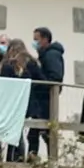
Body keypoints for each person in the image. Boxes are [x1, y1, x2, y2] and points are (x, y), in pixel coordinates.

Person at [0, 38, 45, 162]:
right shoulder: (31, 63)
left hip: (10, 104)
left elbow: (2, 84)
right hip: (27, 103)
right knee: (22, 134)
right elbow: (42, 80)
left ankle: (12, 160)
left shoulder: (6, 64)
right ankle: (23, 159)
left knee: (13, 135)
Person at [26, 26, 66, 160]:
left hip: (47, 99)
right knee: (38, 132)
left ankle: (42, 158)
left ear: (45, 39)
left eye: (36, 40)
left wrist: (37, 73)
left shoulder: (51, 55)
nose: (34, 43)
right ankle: (37, 157)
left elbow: (55, 78)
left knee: (42, 132)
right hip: (42, 98)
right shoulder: (45, 55)